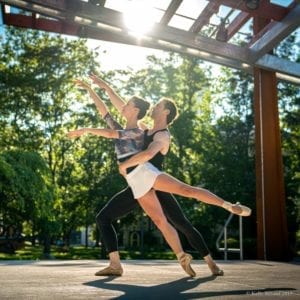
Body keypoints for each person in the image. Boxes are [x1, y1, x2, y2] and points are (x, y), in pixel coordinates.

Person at [68, 80, 196, 277]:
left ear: (135, 110)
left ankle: (116, 265)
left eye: (127, 104)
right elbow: (104, 111)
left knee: (106, 218)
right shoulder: (125, 129)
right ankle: (180, 255)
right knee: (160, 220)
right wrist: (91, 89)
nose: (123, 106)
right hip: (136, 185)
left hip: (143, 182)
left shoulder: (136, 133)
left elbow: (112, 133)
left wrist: (85, 130)